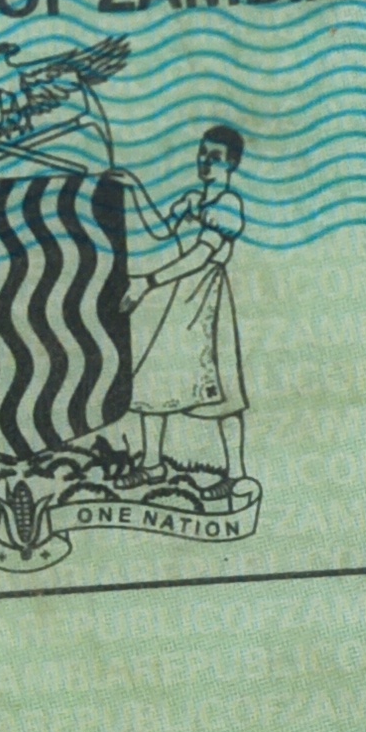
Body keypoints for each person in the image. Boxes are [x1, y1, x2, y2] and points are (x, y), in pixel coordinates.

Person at [126, 124, 249, 480]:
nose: (205, 162)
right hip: (178, 298)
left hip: (207, 300)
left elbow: (199, 256)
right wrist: (132, 189)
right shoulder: (195, 199)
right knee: (155, 375)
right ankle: (152, 464)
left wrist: (147, 282)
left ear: (231, 164)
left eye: (215, 157)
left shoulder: (227, 206)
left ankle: (237, 476)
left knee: (221, 388)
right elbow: (159, 233)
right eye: (202, 154)